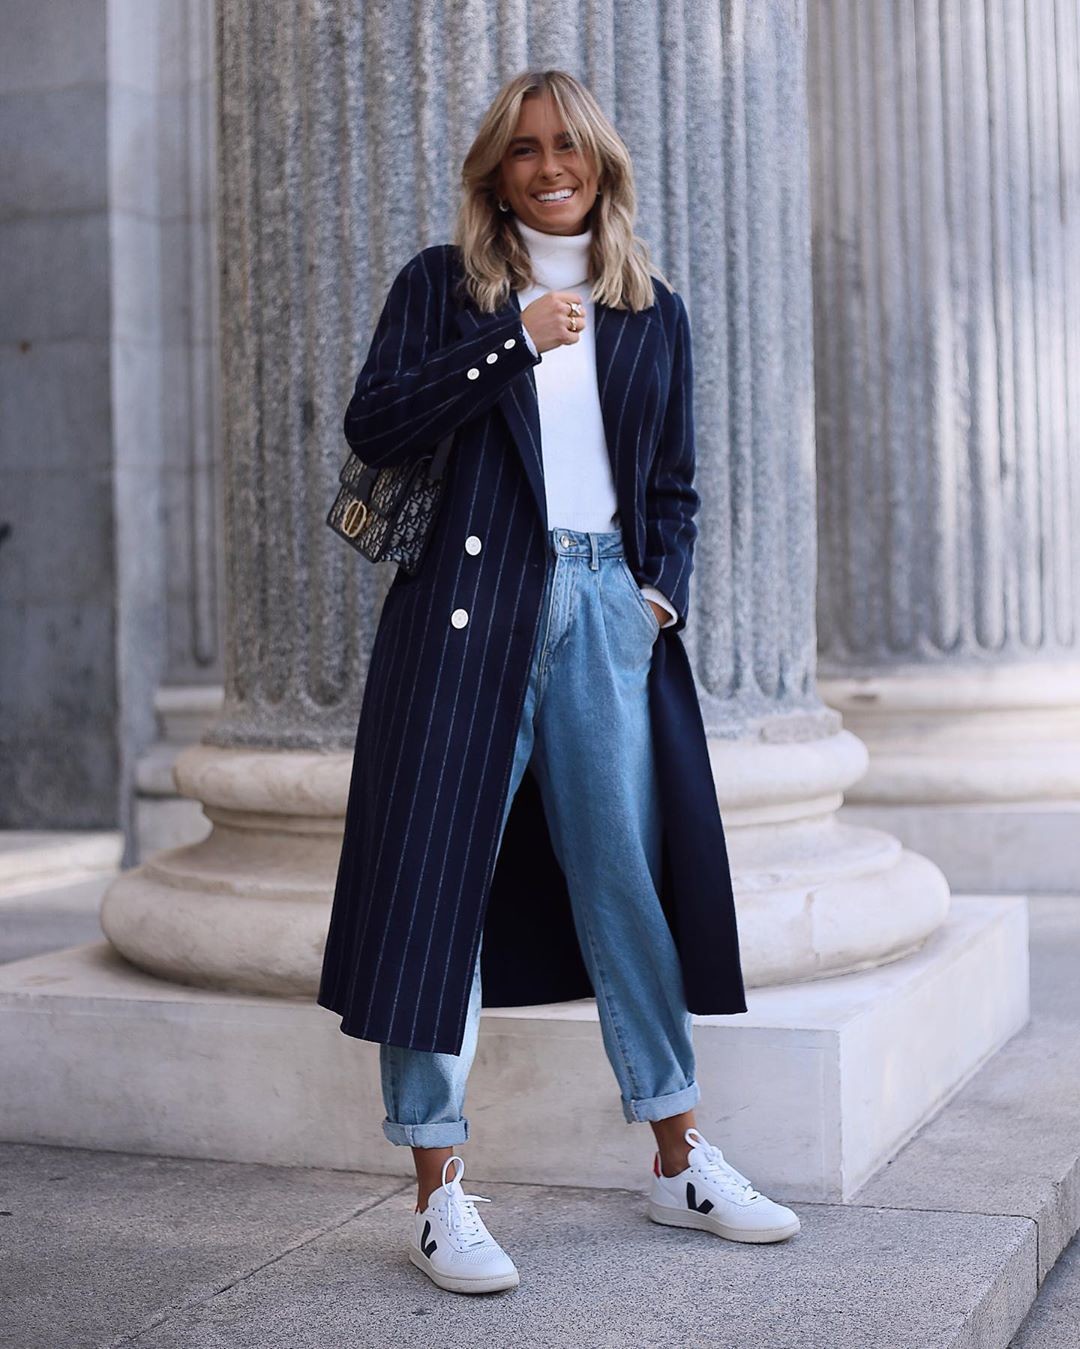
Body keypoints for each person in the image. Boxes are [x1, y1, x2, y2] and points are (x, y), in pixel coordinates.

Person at [318, 69, 801, 1296]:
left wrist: (652, 602)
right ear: (498, 169)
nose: (549, 167)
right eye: (525, 149)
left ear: (601, 164)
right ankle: (438, 1189)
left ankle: (679, 1152)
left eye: (569, 147)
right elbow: (376, 425)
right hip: (469, 618)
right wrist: (508, 340)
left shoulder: (651, 308)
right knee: (443, 892)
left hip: (600, 606)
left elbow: (675, 487)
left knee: (624, 881)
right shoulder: (445, 287)